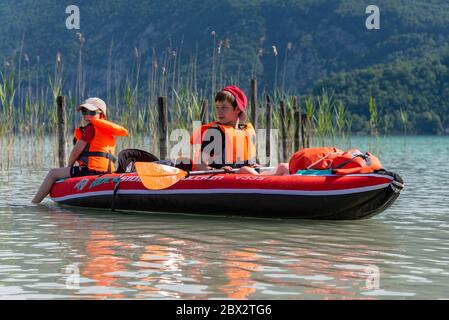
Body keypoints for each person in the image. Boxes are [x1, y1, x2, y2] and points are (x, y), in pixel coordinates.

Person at [32, 98, 128, 204]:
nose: (87, 115)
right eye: (84, 112)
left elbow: (76, 151)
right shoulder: (107, 130)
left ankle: (34, 204)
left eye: (91, 112)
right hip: (106, 171)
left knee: (52, 173)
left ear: (101, 114)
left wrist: (69, 167)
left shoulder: (91, 129)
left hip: (91, 171)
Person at [190, 86, 289, 175]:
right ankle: (266, 182)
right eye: (217, 108)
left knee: (284, 167)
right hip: (226, 176)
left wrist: (256, 166)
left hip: (245, 174)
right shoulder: (215, 132)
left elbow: (247, 162)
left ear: (237, 109)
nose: (219, 112)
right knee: (245, 170)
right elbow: (200, 164)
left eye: (224, 108)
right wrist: (216, 170)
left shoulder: (245, 131)